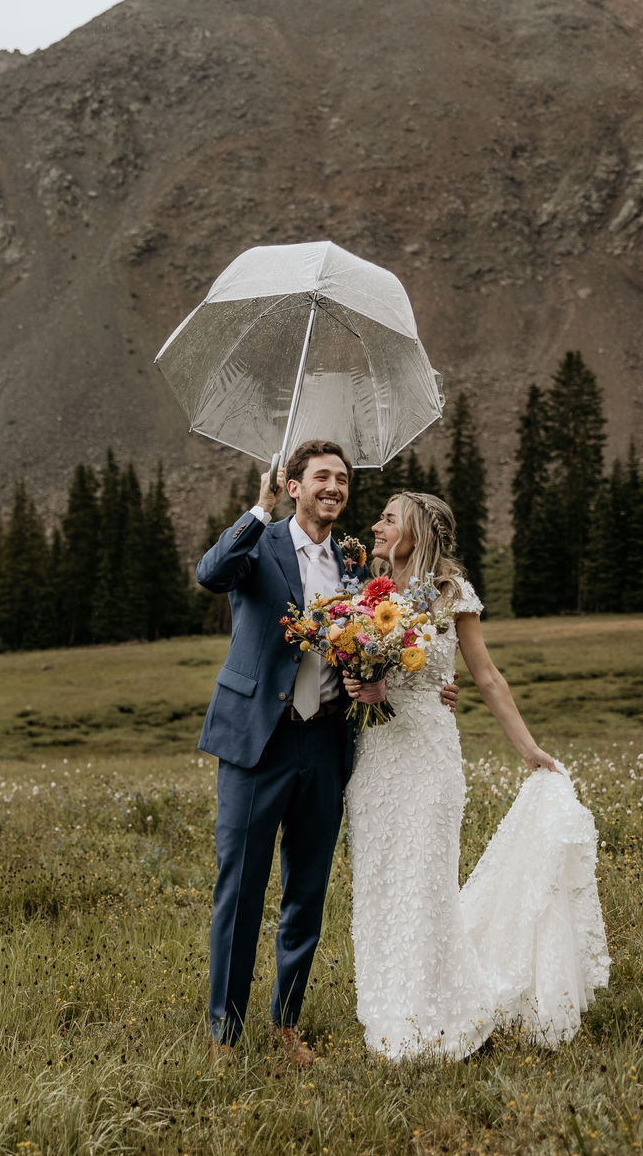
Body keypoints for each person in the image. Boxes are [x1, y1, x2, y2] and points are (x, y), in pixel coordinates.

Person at [194, 440, 457, 1065]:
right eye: (322, 477)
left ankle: (287, 1025)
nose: (335, 487)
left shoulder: (356, 562)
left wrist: (424, 680)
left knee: (306, 891)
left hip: (328, 739)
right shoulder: (258, 543)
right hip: (261, 739)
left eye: (342, 479)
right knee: (240, 889)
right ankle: (225, 1035)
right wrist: (254, 514)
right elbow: (210, 574)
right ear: (293, 486)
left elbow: (387, 631)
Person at [344, 490, 608, 1061]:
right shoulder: (366, 594)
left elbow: (486, 677)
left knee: (427, 883)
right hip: (376, 760)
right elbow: (351, 661)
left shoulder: (450, 593)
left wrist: (529, 749)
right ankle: (392, 1011)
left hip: (430, 760)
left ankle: (449, 1013)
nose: (377, 525)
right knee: (382, 882)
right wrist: (364, 685)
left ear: (418, 528)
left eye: (389, 518)